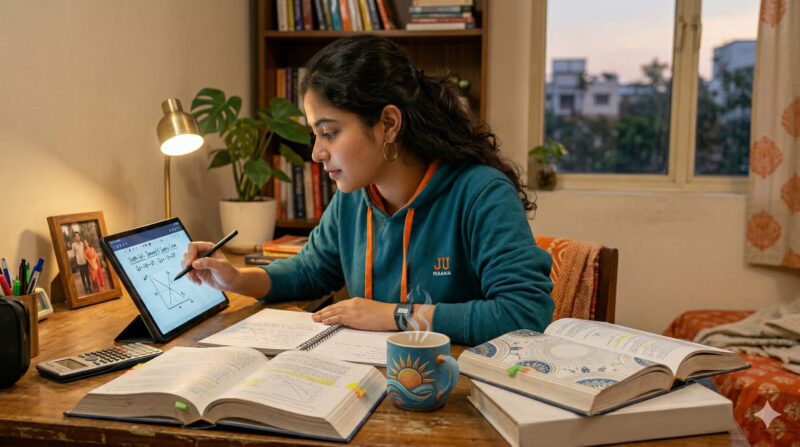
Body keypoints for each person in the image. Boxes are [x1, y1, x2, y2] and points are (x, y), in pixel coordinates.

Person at [183, 35, 554, 346]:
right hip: (372, 382)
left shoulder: (480, 193)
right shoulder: (352, 198)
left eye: (329, 133)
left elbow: (524, 313)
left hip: (454, 391)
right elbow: (311, 271)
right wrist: (236, 278)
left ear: (388, 124)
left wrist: (396, 316)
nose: (317, 153)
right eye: (316, 134)